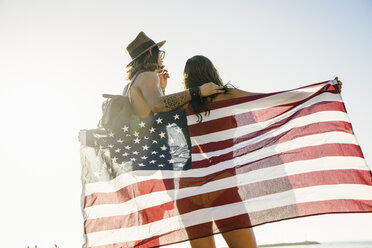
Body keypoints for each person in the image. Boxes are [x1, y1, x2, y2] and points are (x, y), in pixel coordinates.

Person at [174, 55, 343, 248]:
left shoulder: (181, 104)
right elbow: (273, 100)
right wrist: (322, 91)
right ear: (212, 72)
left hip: (188, 188)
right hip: (220, 182)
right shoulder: (226, 95)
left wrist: (166, 88)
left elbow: (151, 112)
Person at [125, 32, 225, 119]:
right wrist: (198, 91)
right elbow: (156, 105)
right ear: (151, 52)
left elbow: (156, 112)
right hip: (152, 140)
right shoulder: (148, 75)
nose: (161, 57)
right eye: (159, 52)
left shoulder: (134, 81)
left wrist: (162, 89)